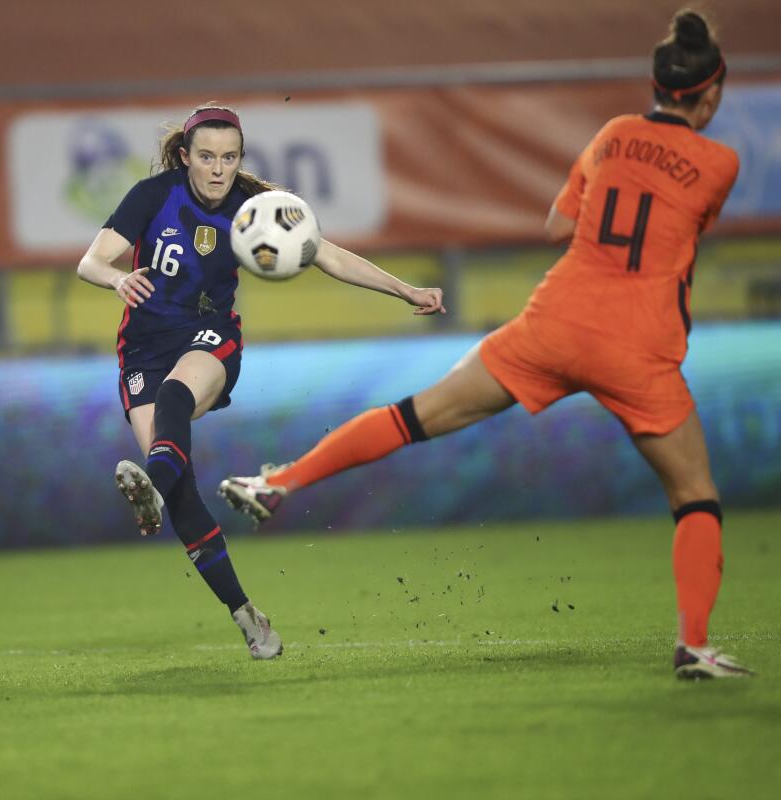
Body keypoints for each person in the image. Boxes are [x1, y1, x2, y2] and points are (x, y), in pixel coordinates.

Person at [220, 11, 751, 680]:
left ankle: (280, 481)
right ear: (712, 93)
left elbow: (560, 225)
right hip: (638, 342)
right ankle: (694, 647)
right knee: (695, 495)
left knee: (415, 415)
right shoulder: (721, 162)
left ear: (655, 83)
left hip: (554, 321)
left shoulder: (613, 137)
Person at [77, 104, 444, 658]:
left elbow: (329, 256)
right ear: (185, 157)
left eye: (229, 157)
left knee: (177, 397)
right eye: (207, 157)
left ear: (239, 158)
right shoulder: (153, 195)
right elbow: (91, 262)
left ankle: (149, 483)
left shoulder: (257, 205)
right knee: (183, 498)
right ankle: (247, 614)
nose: (219, 169)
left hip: (211, 338)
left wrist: (407, 291)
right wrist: (117, 279)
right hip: (143, 348)